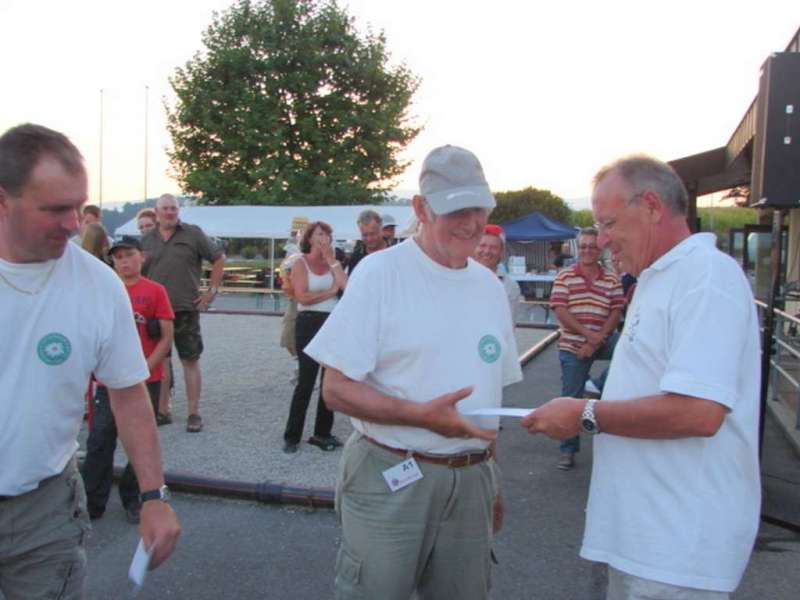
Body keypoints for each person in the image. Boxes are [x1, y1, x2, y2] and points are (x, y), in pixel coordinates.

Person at [523, 155, 761, 599]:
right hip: (647, 543)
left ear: (652, 205)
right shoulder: (658, 278)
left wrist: (585, 414)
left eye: (609, 223)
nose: (604, 239)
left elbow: (699, 412)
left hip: (676, 551)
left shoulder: (705, 277)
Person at [305, 145, 522, 599]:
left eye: (478, 208)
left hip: (472, 480)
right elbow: (336, 390)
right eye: (454, 209)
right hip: (392, 473)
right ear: (420, 208)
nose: (470, 222)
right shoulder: (380, 274)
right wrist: (422, 415)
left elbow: (489, 403)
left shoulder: (489, 287)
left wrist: (492, 482)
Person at [0, 123, 180, 599]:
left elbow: (127, 393)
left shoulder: (98, 286)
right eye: (55, 209)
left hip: (41, 512)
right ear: (3, 200)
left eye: (79, 206)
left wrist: (154, 496)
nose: (74, 223)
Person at [81, 235, 175, 524]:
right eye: (118, 256)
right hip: (109, 380)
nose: (124, 261)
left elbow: (167, 337)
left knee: (141, 441)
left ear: (142, 257)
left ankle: (134, 499)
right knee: (99, 441)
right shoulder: (104, 290)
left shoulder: (155, 291)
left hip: (146, 376)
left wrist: (143, 368)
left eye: (129, 254)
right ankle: (91, 501)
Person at [141, 193, 225, 432]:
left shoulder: (193, 233)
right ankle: (162, 410)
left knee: (190, 360)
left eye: (173, 208)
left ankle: (193, 412)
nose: (170, 212)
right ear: (156, 213)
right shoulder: (147, 240)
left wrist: (211, 292)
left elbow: (218, 259)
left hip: (186, 308)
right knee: (162, 362)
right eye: (165, 209)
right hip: (157, 313)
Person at [548, 227, 624, 470]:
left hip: (600, 341)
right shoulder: (565, 276)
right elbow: (561, 311)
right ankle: (567, 450)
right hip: (573, 344)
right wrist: (588, 337)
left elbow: (616, 311)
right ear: (577, 249)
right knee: (571, 397)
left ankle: (598, 385)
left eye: (592, 246)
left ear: (600, 249)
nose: (588, 250)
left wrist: (596, 340)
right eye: (583, 246)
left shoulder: (612, 278)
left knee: (631, 347)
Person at [282, 221, 347, 453]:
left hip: (332, 323)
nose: (324, 238)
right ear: (310, 238)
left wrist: (332, 261)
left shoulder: (334, 262)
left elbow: (346, 287)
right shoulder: (301, 263)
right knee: (306, 382)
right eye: (319, 234)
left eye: (327, 234)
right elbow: (303, 297)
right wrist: (331, 292)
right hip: (309, 322)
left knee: (329, 381)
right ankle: (292, 436)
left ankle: (322, 432)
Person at [473, 223, 521, 324]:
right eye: (482, 245)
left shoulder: (510, 286)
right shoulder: (459, 277)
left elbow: (508, 326)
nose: (486, 251)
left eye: (493, 247)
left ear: (501, 252)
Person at [346, 209, 387, 274]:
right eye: (364, 235)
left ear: (381, 228)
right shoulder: (356, 257)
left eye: (372, 234)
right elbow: (352, 282)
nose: (369, 239)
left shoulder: (394, 251)